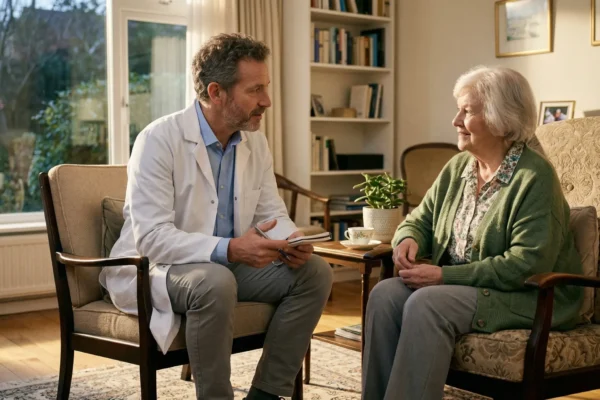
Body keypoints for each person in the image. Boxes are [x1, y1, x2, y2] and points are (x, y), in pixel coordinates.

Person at [101, 33, 333, 400]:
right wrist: (230, 249)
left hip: (227, 263)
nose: (267, 101)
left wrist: (290, 242)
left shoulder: (255, 141)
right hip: (157, 267)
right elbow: (152, 239)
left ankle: (266, 394)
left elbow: (271, 212)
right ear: (216, 92)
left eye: (266, 88)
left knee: (315, 272)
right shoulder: (158, 139)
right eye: (255, 90)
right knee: (215, 281)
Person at [362, 66, 583, 400]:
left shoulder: (534, 178)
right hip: (463, 287)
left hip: (529, 296)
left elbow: (527, 264)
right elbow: (418, 219)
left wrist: (444, 275)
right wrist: (408, 238)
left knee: (427, 304)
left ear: (499, 118)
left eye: (466, 112)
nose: (455, 121)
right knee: (385, 295)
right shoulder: (458, 168)